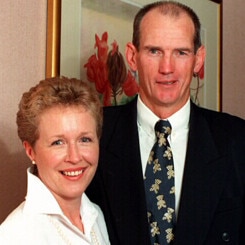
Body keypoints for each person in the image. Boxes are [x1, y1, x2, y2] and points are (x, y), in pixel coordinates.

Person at [86, 1, 245, 245]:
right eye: (154, 51)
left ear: (198, 59)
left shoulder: (237, 140)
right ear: (132, 56)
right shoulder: (92, 134)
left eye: (181, 52)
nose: (167, 68)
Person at [0, 77, 110, 245]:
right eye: (58, 142)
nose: (74, 157)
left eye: (85, 140)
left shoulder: (95, 215)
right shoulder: (15, 235)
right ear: (31, 151)